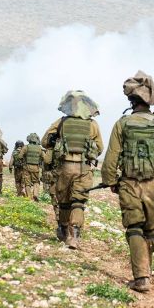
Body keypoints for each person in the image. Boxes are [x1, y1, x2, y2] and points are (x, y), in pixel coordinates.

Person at [100, 72, 154, 293]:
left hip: (129, 183)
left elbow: (111, 158)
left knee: (134, 227)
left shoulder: (123, 124)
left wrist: (111, 181)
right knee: (151, 229)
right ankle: (147, 270)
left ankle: (142, 277)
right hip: (153, 183)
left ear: (131, 101)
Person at [41, 91, 103, 249]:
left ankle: (62, 229)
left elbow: (44, 141)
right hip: (83, 167)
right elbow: (100, 148)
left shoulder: (61, 122)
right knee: (78, 201)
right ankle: (74, 236)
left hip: (64, 167)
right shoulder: (93, 124)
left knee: (64, 201)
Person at [17, 133, 44, 201]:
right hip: (36, 167)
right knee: (36, 182)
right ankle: (35, 194)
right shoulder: (39, 148)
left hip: (27, 167)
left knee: (27, 183)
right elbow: (45, 158)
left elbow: (19, 156)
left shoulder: (26, 147)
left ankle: (29, 197)